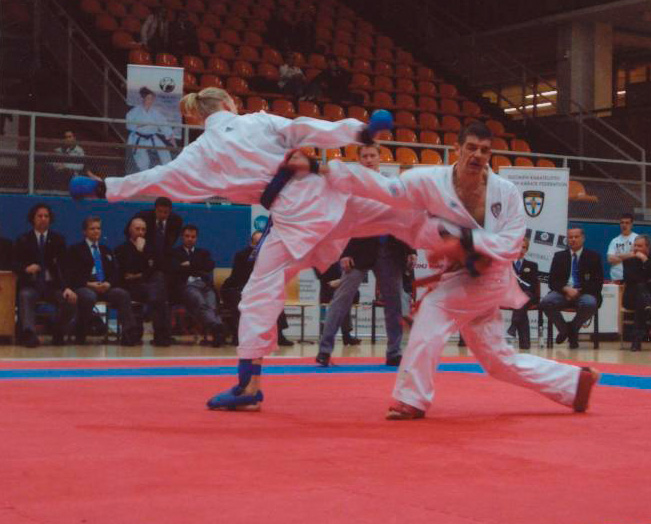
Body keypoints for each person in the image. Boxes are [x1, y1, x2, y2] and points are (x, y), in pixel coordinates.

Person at [72, 86, 449, 412]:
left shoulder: (199, 152)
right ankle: (462, 241)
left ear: (200, 117)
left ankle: (249, 385)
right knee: (399, 219)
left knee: (257, 296)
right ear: (229, 104)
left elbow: (158, 178)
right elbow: (304, 127)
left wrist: (104, 187)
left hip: (293, 219)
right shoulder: (256, 121)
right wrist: (360, 131)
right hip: (326, 197)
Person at [326, 121, 600, 419]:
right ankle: (574, 384)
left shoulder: (505, 192)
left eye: (484, 150)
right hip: (460, 276)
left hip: (491, 275)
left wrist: (466, 242)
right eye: (471, 147)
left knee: (432, 311)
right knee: (497, 361)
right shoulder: (432, 181)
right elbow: (389, 190)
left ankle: (412, 398)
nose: (477, 155)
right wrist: (331, 172)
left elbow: (511, 243)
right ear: (457, 149)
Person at [316, 144, 416, 368]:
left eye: (372, 156)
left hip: (390, 249)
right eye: (365, 156)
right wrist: (344, 253)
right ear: (359, 160)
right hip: (358, 250)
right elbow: (344, 220)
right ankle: (324, 350)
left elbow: (405, 217)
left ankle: (394, 352)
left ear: (380, 158)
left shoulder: (392, 185)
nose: (369, 159)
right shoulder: (351, 186)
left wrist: (411, 249)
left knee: (394, 304)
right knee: (342, 299)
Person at [66, 216, 141, 346]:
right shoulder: (75, 250)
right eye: (92, 228)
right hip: (85, 285)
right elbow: (72, 274)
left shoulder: (106, 250)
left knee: (122, 294)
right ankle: (80, 330)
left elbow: (115, 272)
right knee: (88, 297)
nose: (96, 231)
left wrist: (109, 283)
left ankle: (129, 333)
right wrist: (89, 284)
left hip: (104, 286)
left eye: (98, 228)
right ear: (85, 232)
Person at [13, 204, 76, 347]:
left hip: (52, 286)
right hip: (31, 284)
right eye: (39, 216)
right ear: (33, 219)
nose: (43, 219)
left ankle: (58, 331)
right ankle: (29, 334)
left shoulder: (58, 240)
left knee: (69, 300)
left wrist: (67, 287)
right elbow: (14, 263)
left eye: (46, 216)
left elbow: (65, 267)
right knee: (25, 296)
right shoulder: (23, 239)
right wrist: (25, 268)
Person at [220, 231, 293, 347]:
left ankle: (279, 335)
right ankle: (238, 336)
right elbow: (238, 277)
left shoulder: (270, 256)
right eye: (257, 243)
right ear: (251, 243)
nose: (260, 246)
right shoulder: (242, 255)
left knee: (275, 298)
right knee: (241, 303)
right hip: (236, 288)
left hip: (258, 288)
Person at [540, 227, 604, 350]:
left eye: (576, 237)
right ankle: (564, 330)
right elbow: (552, 282)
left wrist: (578, 291)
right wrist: (566, 289)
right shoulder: (559, 256)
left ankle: (573, 328)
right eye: (570, 237)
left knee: (590, 303)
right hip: (563, 293)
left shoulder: (593, 256)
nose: (573, 239)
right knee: (546, 302)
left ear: (583, 238)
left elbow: (597, 283)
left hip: (584, 292)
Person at [115, 216, 173, 347]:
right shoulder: (121, 249)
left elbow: (156, 268)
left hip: (149, 286)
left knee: (158, 282)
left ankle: (160, 334)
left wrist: (139, 274)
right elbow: (126, 272)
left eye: (143, 229)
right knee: (158, 294)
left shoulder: (152, 248)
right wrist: (139, 252)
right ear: (130, 230)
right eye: (137, 229)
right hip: (131, 287)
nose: (141, 232)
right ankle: (162, 335)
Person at [169, 224, 226, 347]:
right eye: (187, 236)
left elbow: (209, 266)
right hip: (187, 286)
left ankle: (216, 329)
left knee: (212, 305)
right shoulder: (174, 253)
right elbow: (174, 268)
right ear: (182, 237)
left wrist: (189, 264)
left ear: (196, 238)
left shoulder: (203, 252)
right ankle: (218, 327)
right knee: (200, 303)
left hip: (205, 285)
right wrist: (197, 265)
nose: (190, 239)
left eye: (193, 237)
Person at [622, 235, 651, 351]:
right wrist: (650, 279)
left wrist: (645, 260)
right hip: (631, 297)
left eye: (639, 246)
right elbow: (630, 278)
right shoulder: (629, 260)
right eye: (635, 245)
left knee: (642, 303)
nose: (636, 248)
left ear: (648, 247)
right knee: (640, 291)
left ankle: (636, 342)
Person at [126, 87, 177, 172]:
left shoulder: (155, 113)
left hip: (151, 137)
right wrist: (140, 125)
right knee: (143, 162)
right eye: (148, 98)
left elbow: (163, 124)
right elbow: (129, 125)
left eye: (152, 99)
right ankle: (145, 175)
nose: (150, 101)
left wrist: (171, 138)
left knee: (164, 152)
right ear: (143, 99)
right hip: (138, 138)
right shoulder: (135, 111)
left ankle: (167, 172)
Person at [134, 196, 183, 274]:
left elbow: (172, 240)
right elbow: (129, 232)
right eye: (159, 211)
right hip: (144, 253)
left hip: (164, 255)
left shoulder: (176, 221)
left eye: (166, 212)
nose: (162, 215)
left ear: (170, 211)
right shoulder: (143, 217)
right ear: (155, 209)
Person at [507, 237, 539, 350]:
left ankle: (513, 326)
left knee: (524, 297)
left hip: (528, 295)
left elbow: (533, 286)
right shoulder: (506, 264)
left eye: (524, 247)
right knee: (521, 305)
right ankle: (525, 344)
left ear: (526, 250)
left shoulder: (532, 265)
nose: (521, 250)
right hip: (510, 296)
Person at [607, 213, 639, 282]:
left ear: (631, 224)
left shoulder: (637, 238)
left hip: (633, 278)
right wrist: (629, 256)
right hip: (616, 277)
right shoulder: (615, 241)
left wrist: (618, 256)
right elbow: (610, 259)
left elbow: (636, 255)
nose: (624, 225)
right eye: (622, 223)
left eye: (627, 223)